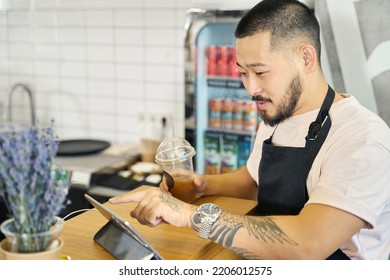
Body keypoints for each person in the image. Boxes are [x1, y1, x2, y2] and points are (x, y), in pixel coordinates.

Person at [109, 0, 390, 259]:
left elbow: (309, 243)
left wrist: (190, 215)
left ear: (306, 58)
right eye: (243, 73)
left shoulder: (362, 139)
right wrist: (203, 186)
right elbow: (255, 181)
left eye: (261, 72)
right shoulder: (278, 113)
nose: (251, 89)